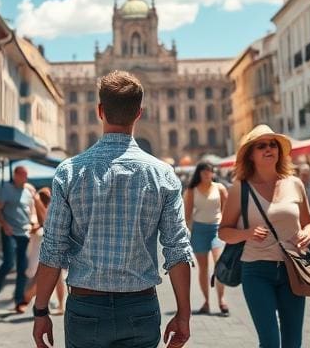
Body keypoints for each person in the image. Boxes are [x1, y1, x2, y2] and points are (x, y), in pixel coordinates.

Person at [32, 71, 192, 348]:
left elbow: (53, 248)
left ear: (100, 111)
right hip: (140, 307)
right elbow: (177, 248)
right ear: (139, 113)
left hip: (85, 307)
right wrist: (183, 314)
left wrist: (41, 310)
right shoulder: (162, 174)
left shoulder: (69, 172)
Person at [218, 125, 310, 348]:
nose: (269, 149)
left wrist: (307, 234)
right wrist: (246, 233)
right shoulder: (240, 188)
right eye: (261, 146)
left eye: (273, 144)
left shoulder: (295, 184)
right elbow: (224, 232)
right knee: (270, 341)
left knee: (293, 341)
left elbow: (309, 223)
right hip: (256, 270)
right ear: (250, 155)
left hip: (293, 268)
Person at [0, 165, 38, 313]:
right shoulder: (6, 189)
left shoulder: (28, 190)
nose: (25, 178)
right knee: (9, 263)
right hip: (10, 232)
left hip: (24, 233)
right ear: (16, 176)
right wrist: (5, 225)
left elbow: (32, 209)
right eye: (22, 175)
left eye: (26, 176)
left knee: (23, 268)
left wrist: (33, 221)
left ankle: (18, 301)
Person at [184, 161, 229, 315]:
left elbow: (227, 209)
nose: (207, 174)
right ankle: (206, 302)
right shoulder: (192, 190)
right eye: (204, 172)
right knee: (203, 268)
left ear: (212, 173)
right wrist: (186, 236)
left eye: (209, 171)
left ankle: (222, 300)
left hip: (217, 229)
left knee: (219, 264)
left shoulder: (220, 188)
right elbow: (187, 215)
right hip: (199, 230)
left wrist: (226, 226)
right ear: (199, 173)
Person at [23, 187, 66, 315]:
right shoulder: (54, 209)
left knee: (42, 280)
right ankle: (59, 306)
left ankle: (35, 303)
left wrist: (36, 200)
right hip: (55, 250)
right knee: (57, 279)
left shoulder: (48, 211)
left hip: (48, 253)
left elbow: (45, 223)